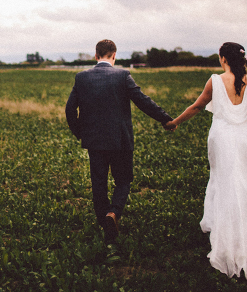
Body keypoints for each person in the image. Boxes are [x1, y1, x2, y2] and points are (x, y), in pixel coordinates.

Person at [165, 42, 247, 279]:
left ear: (223, 59)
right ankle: (245, 240)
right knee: (245, 185)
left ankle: (225, 242)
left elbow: (197, 106)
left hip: (222, 138)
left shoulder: (215, 80)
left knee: (224, 184)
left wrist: (174, 122)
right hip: (244, 139)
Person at [66, 39, 175, 244]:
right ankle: (114, 214)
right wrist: (165, 119)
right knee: (123, 179)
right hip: (120, 139)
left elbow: (69, 110)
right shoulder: (122, 75)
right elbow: (143, 101)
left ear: (96, 55)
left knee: (98, 181)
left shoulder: (81, 77)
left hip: (95, 141)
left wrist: (80, 133)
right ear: (114, 55)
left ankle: (103, 220)